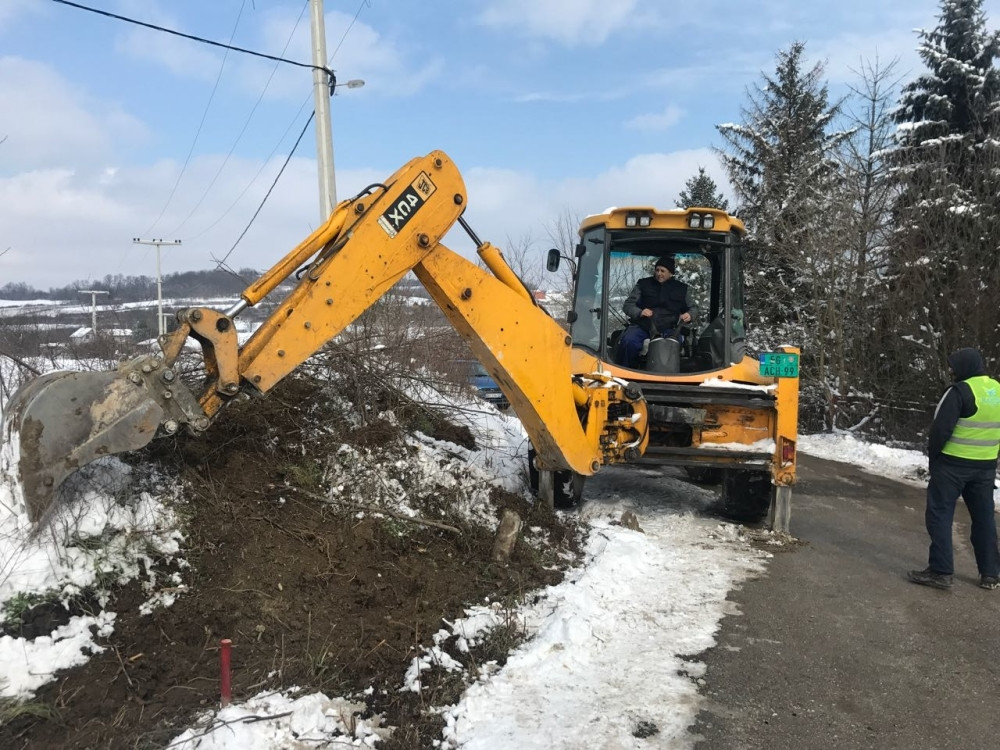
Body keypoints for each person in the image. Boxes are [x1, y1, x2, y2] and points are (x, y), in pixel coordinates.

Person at [908, 348, 1000, 590]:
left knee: (939, 515)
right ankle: (990, 573)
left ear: (965, 367)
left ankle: (941, 571)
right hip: (985, 466)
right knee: (983, 519)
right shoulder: (997, 391)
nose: (951, 371)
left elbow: (940, 429)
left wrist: (934, 460)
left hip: (952, 465)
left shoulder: (960, 391)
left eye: (954, 366)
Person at [617, 255, 697, 369]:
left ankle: (671, 377)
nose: (659, 273)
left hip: (671, 328)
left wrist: (690, 315)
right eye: (657, 270)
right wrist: (640, 312)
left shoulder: (682, 288)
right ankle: (626, 371)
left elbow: (693, 308)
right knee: (628, 341)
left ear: (671, 273)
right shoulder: (643, 284)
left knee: (673, 346)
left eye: (663, 271)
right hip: (644, 325)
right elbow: (628, 305)